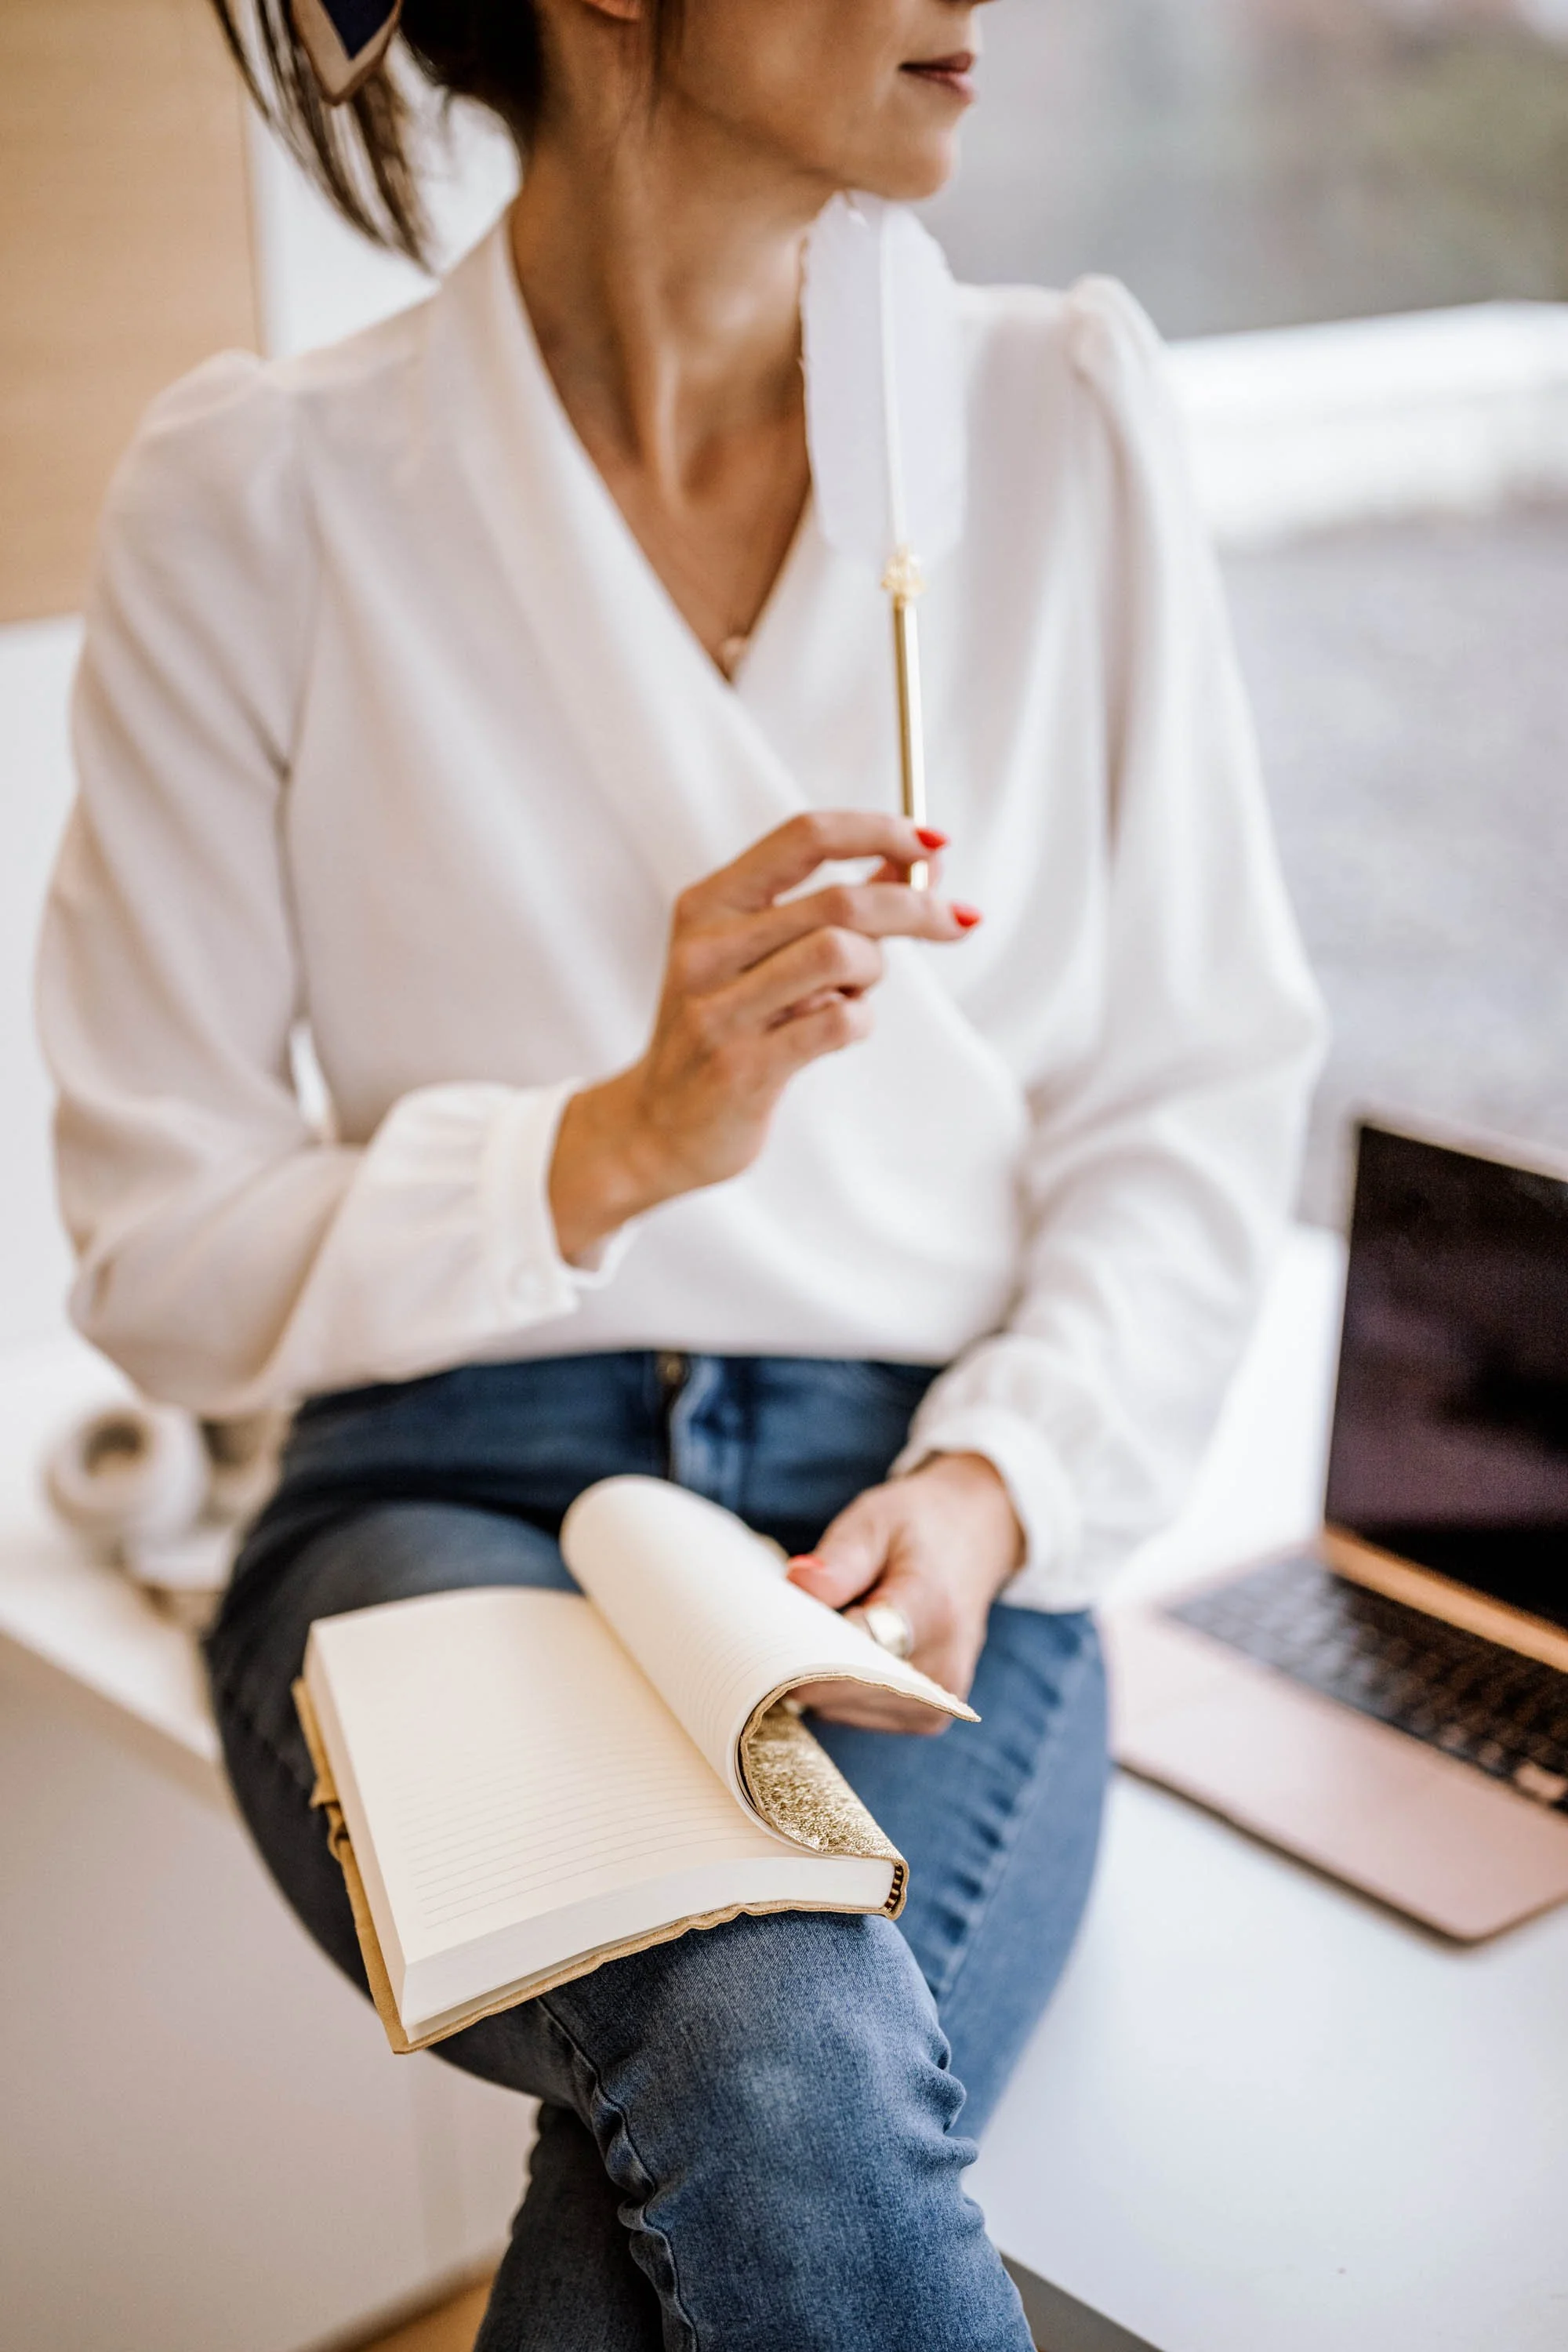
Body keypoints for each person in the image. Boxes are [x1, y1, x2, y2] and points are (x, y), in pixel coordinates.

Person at [37, 1, 1323, 2343]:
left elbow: (1197, 1090)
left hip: (902, 1531)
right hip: (440, 1495)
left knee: (733, 2084)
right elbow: (158, 1253)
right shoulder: (260, 494)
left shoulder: (1055, 417)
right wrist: (607, 1143)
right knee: (770, 2021)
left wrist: (1001, 1483)